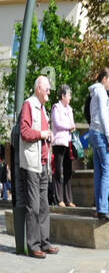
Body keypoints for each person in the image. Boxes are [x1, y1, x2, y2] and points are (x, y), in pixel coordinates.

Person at [18, 75, 58, 258]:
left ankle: (44, 242)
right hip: (32, 164)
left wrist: (48, 136)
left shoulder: (42, 108)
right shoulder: (29, 105)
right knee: (33, 206)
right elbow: (24, 132)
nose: (49, 91)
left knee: (44, 206)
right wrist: (43, 133)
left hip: (42, 164)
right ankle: (33, 245)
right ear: (38, 89)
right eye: (47, 88)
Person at [87, 67, 109, 220]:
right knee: (107, 171)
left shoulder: (94, 92)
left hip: (93, 132)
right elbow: (105, 117)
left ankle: (100, 208)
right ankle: (103, 209)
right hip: (100, 134)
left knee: (99, 172)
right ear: (104, 78)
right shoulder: (102, 93)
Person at [51, 84, 77, 207]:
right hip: (59, 142)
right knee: (58, 170)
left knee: (68, 170)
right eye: (69, 94)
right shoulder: (56, 107)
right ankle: (58, 198)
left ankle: (68, 199)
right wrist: (69, 126)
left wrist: (69, 126)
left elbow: (72, 123)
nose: (70, 97)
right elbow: (57, 123)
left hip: (68, 142)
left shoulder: (70, 109)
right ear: (63, 96)